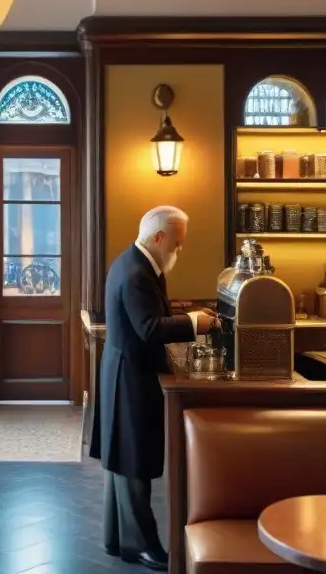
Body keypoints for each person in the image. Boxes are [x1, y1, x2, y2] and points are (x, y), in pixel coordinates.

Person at [89, 206, 215, 571]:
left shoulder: (135, 263)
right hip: (130, 375)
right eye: (177, 243)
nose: (180, 249)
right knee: (134, 462)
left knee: (122, 459)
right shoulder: (136, 273)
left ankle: (118, 541)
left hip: (123, 371)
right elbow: (148, 328)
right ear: (160, 238)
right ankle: (143, 547)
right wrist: (194, 323)